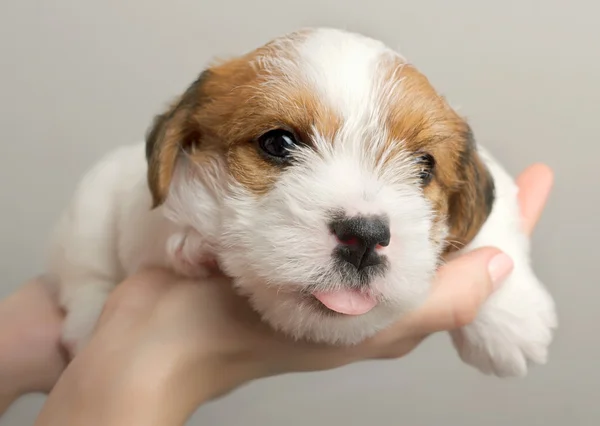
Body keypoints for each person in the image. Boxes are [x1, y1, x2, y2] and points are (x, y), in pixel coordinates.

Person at [0, 164, 553, 426]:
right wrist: (102, 306)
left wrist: (506, 288)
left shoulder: (464, 178)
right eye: (280, 145)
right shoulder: (159, 187)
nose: (365, 227)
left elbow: (495, 189)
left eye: (421, 167)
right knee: (101, 191)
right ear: (179, 148)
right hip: (107, 253)